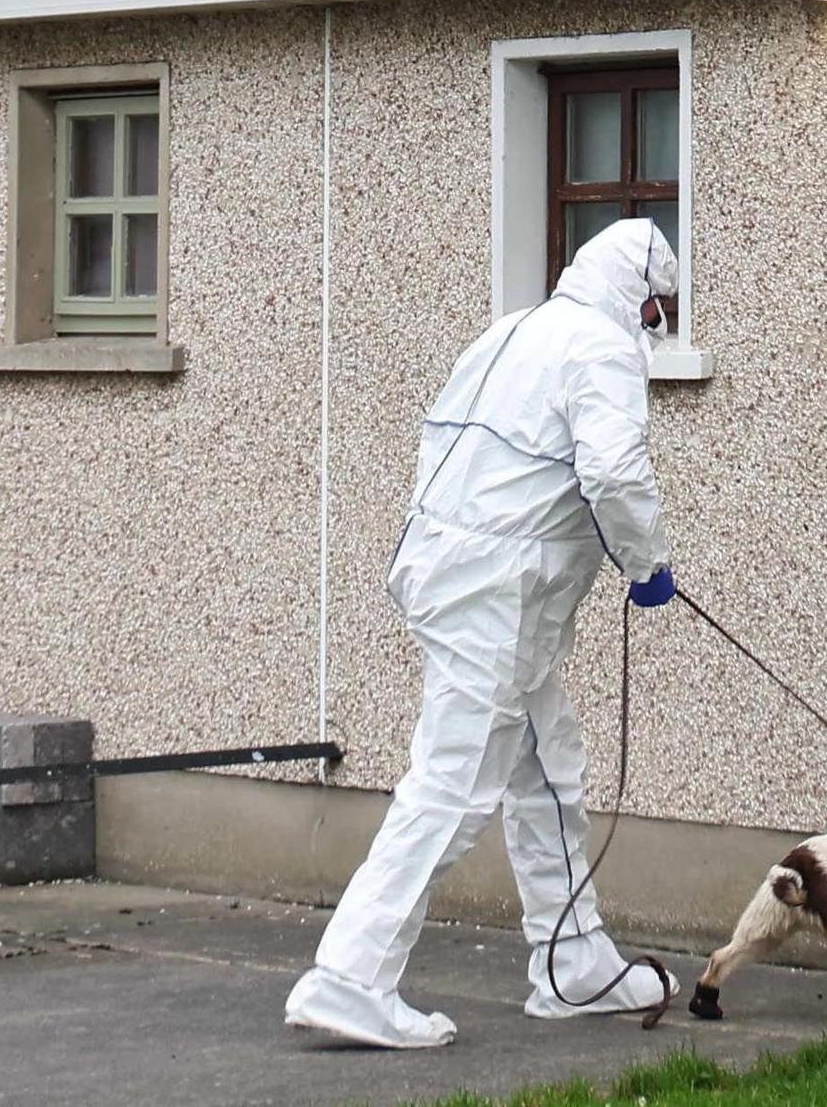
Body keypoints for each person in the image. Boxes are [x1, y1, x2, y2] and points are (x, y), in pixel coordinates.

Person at [284, 219, 681, 1049]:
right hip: (500, 597)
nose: (656, 327)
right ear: (637, 298)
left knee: (546, 767)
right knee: (454, 783)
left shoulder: (513, 331)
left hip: (459, 576)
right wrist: (645, 560)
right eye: (656, 310)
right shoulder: (600, 349)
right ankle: (352, 974)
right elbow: (611, 471)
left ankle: (574, 962)